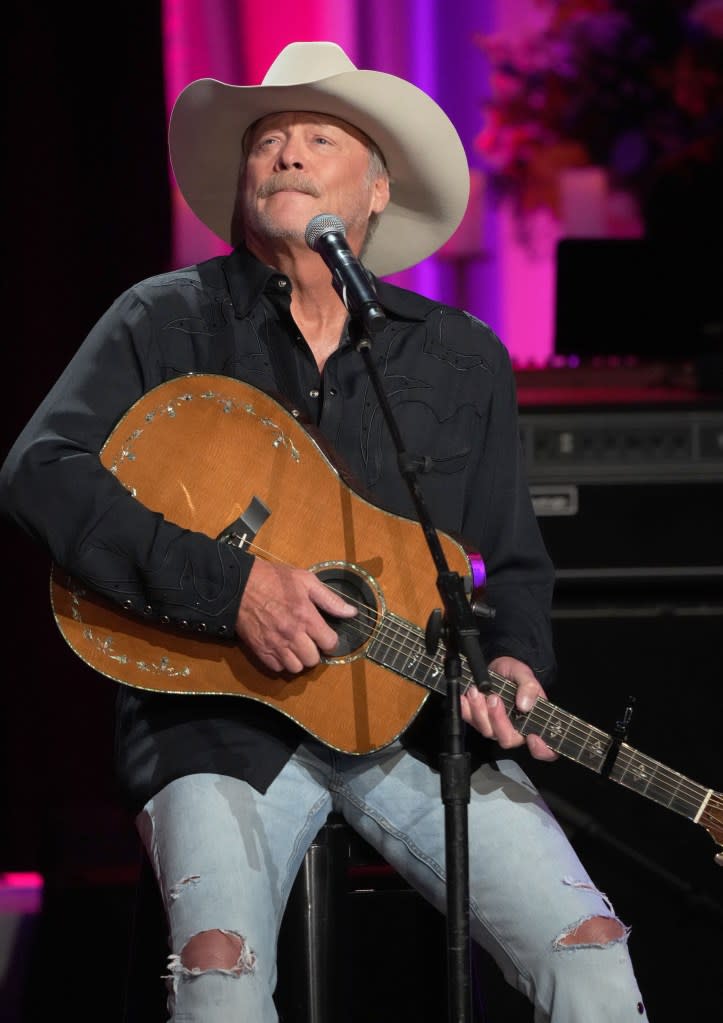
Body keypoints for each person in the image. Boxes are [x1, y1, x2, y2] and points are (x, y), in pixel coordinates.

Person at [0, 40, 648, 1022]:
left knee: (592, 957)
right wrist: (233, 589)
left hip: (413, 722)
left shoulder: (460, 357)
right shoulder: (160, 321)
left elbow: (512, 562)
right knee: (220, 976)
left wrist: (516, 659)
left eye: (318, 136)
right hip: (215, 722)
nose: (288, 153)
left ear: (378, 191)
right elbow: (37, 473)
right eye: (269, 140)